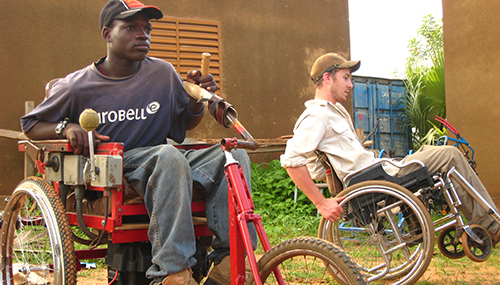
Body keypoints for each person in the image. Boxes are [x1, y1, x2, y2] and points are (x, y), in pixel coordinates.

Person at [21, 1, 255, 284]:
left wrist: (197, 99)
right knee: (168, 156)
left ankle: (231, 259)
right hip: (117, 165)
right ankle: (173, 272)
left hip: (162, 160)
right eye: (130, 28)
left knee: (232, 157)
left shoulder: (163, 74)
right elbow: (31, 125)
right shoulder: (78, 85)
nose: (142, 35)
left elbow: (184, 123)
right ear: (107, 34)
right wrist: (66, 126)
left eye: (147, 29)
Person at [280, 52, 500, 243]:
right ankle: (490, 226)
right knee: (449, 155)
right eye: (346, 78)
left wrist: (332, 173)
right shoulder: (317, 117)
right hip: (376, 179)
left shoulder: (334, 112)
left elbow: (317, 169)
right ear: (327, 78)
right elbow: (291, 160)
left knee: (429, 151)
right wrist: (320, 202)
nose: (351, 84)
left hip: (381, 170)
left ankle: (482, 221)